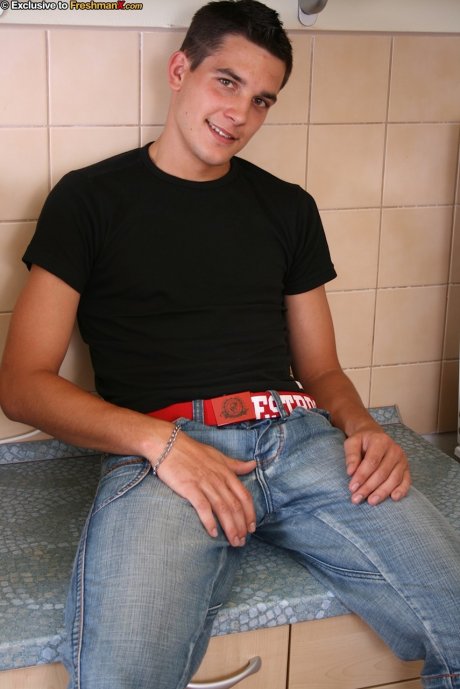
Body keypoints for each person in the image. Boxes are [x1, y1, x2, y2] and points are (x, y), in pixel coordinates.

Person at [0, 1, 459, 687]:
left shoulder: (288, 207)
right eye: (227, 82)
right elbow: (22, 384)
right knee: (122, 676)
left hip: (301, 441)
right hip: (166, 454)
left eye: (262, 99)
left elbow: (321, 370)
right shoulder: (88, 199)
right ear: (179, 70)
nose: (240, 113)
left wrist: (362, 425)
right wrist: (162, 444)